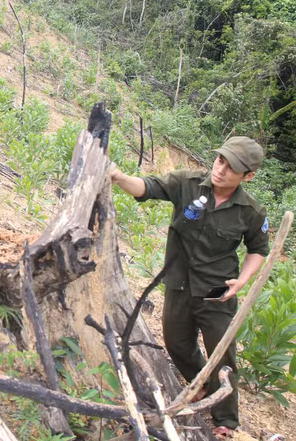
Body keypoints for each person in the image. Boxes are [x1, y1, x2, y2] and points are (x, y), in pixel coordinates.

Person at [109, 136, 269, 439]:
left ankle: (226, 421)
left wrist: (243, 280)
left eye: (231, 167)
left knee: (221, 353)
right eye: (220, 159)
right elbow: (147, 187)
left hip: (217, 290)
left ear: (248, 176)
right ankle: (202, 386)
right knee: (177, 343)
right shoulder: (188, 183)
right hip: (179, 283)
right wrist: (118, 178)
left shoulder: (251, 211)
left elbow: (258, 248)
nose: (220, 169)